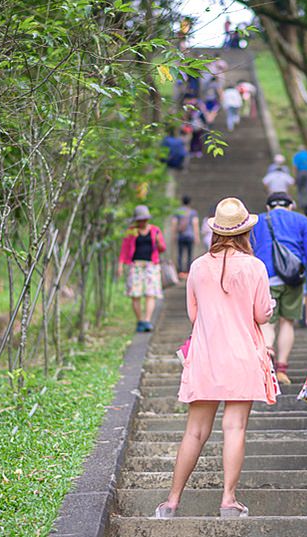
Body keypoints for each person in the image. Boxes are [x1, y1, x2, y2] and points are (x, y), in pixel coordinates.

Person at [154, 198, 275, 519]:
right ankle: (228, 500)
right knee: (234, 428)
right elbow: (262, 315)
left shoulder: (196, 266)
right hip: (242, 356)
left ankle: (172, 501)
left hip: (206, 355)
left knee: (194, 431)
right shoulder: (255, 267)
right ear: (246, 231)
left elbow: (194, 315)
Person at [251, 192, 307, 384]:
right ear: (290, 205)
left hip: (265, 276)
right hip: (293, 277)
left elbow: (248, 250)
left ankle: (267, 353)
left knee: (267, 323)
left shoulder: (257, 221)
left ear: (268, 207)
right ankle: (281, 368)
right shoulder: (301, 220)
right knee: (287, 322)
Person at [117, 205, 167, 333]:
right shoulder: (131, 231)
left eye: (144, 219)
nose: (142, 222)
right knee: (135, 294)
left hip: (151, 265)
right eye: (140, 220)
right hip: (135, 265)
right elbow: (124, 249)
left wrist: (158, 242)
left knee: (151, 293)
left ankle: (147, 320)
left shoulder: (155, 230)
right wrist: (120, 265)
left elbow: (162, 249)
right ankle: (140, 320)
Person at [171, 196, 200, 277]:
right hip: (190, 236)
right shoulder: (193, 212)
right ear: (189, 202)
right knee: (189, 254)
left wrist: (173, 235)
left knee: (180, 254)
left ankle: (180, 271)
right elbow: (195, 224)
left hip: (181, 236)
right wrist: (197, 237)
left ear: (182, 201)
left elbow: (174, 223)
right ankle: (188, 271)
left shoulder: (178, 212)